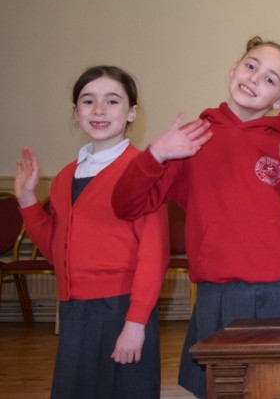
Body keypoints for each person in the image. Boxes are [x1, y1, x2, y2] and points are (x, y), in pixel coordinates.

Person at [111, 36, 280, 398]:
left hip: (279, 293)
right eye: (251, 66)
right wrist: (156, 153)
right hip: (218, 294)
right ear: (234, 68)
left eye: (270, 79)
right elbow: (127, 205)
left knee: (278, 389)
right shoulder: (191, 138)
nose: (254, 79)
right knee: (220, 389)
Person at [15, 66, 168, 398]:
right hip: (75, 310)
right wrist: (27, 199)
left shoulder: (142, 171)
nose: (99, 110)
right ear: (75, 112)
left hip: (123, 308)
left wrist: (136, 322)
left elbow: (154, 254)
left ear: (131, 112)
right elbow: (57, 250)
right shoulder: (65, 177)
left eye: (112, 101)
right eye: (88, 101)